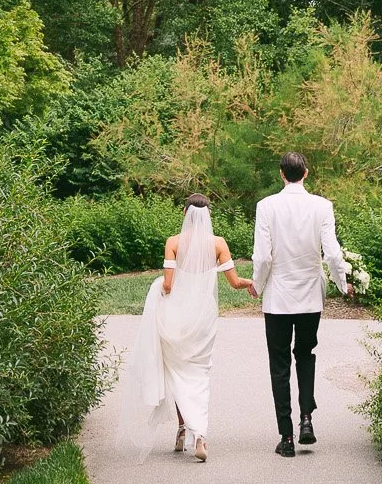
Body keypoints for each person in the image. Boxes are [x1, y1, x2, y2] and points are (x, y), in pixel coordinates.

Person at [113, 195, 255, 462]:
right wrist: (250, 283)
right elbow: (234, 283)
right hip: (203, 320)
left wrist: (159, 288)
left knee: (177, 373)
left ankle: (182, 429)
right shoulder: (218, 244)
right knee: (199, 374)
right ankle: (199, 435)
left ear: (185, 213)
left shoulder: (174, 243)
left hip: (176, 317)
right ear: (209, 215)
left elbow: (168, 285)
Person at [251, 151, 350, 457]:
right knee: (306, 355)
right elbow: (332, 253)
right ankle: (307, 419)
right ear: (306, 173)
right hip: (310, 295)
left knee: (279, 366)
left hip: (278, 297)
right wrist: (341, 282)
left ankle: (287, 437)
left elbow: (264, 256)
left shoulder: (266, 206)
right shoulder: (322, 206)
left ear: (282, 174)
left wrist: (257, 284)